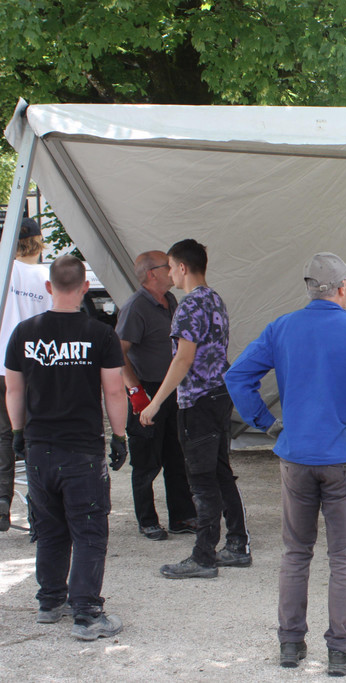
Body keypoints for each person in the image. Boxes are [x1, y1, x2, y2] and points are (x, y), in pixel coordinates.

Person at [225, 252, 346, 676]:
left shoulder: (281, 327)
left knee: (295, 553)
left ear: (309, 287)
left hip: (296, 455)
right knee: (344, 557)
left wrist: (266, 423)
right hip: (344, 456)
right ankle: (339, 650)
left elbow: (237, 377)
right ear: (342, 287)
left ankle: (290, 643)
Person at [5, 255, 127, 640]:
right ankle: (87, 614)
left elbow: (14, 389)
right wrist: (120, 436)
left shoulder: (24, 333)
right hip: (82, 450)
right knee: (89, 530)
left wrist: (18, 431)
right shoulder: (100, 335)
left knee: (50, 528)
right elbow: (114, 391)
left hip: (40, 448)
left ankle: (50, 601)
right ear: (85, 288)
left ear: (49, 287)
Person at [139, 238, 252, 578]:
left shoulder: (188, 306)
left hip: (198, 400)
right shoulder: (214, 299)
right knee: (220, 472)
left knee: (201, 480)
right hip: (218, 394)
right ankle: (237, 544)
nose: (170, 274)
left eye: (171, 266)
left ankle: (203, 556)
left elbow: (183, 359)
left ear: (182, 267)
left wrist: (155, 402)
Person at [115, 251, 197, 541]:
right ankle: (147, 520)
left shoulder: (170, 300)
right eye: (168, 266)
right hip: (148, 390)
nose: (173, 270)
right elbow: (117, 352)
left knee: (176, 455)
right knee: (146, 460)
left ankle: (181, 516)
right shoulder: (136, 307)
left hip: (171, 389)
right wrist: (135, 390)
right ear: (152, 273)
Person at [0, 217, 52, 532]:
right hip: (36, 368)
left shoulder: (3, 271)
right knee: (35, 436)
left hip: (1, 367)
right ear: (38, 241)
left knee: (3, 436)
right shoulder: (47, 277)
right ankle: (39, 510)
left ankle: (1, 502)